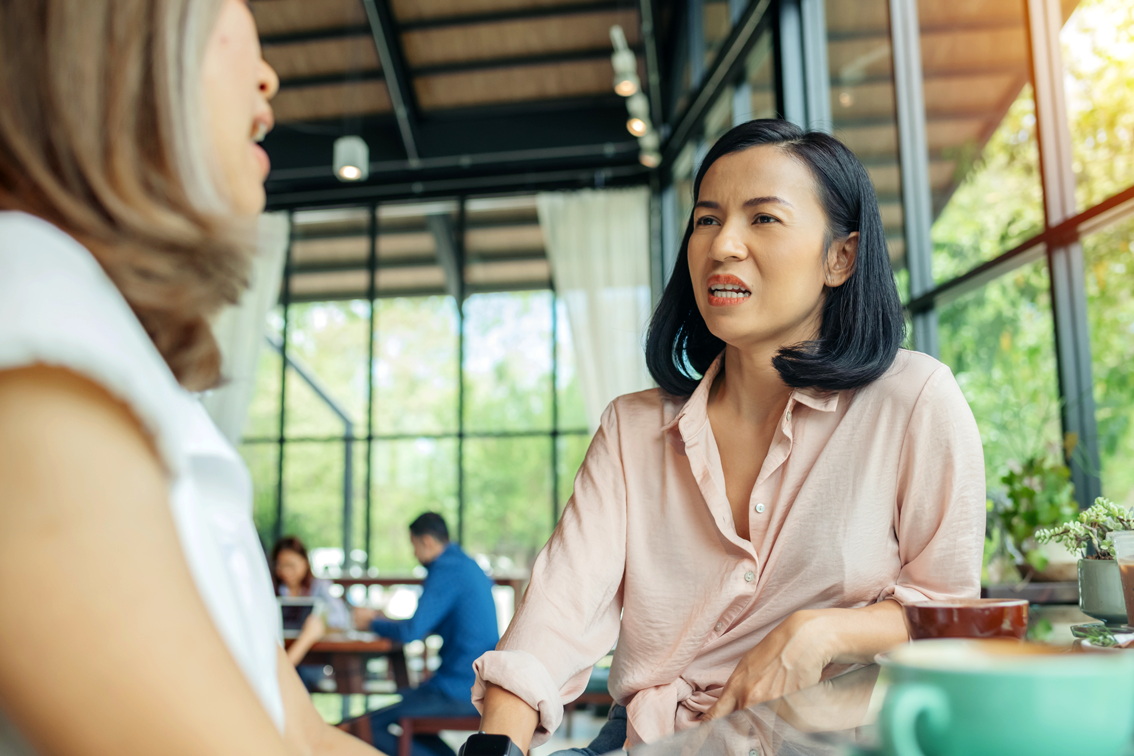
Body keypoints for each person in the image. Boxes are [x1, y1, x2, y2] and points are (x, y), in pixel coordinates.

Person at [468, 119, 985, 755]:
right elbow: (556, 612)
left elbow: (949, 614)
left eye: (763, 219)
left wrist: (815, 633)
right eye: (707, 220)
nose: (723, 246)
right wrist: (495, 748)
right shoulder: (632, 428)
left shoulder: (913, 399)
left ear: (840, 257)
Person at [0, 2, 380, 754]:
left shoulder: (116, 355)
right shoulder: (30, 297)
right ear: (120, 52)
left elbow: (303, 738)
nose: (269, 74)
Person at [353, 513, 500, 756]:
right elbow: (429, 624)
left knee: (366, 725)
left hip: (458, 689)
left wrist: (372, 622)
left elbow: (412, 632)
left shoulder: (445, 569)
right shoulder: (465, 564)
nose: (414, 554)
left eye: (414, 546)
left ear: (427, 542)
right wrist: (385, 620)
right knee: (406, 711)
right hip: (477, 685)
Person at [272, 536, 352, 690]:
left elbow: (341, 619)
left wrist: (316, 626)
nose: (286, 572)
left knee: (297, 678)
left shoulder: (319, 587)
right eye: (280, 566)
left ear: (304, 563)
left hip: (311, 659)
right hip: (283, 653)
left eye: (291, 565)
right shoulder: (273, 590)